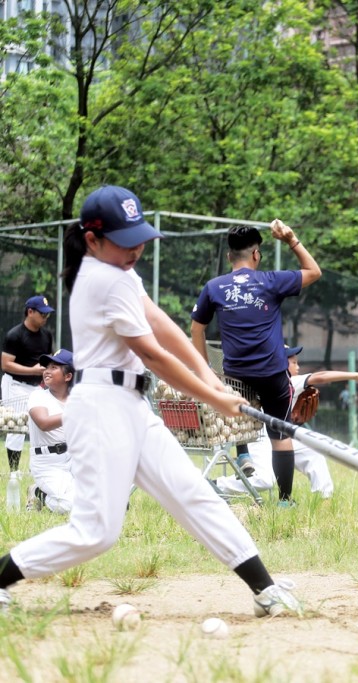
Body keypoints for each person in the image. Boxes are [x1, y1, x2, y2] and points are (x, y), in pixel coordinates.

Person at [0, 185, 298, 617]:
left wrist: (205, 374)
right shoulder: (102, 279)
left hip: (132, 406)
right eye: (124, 240)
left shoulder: (120, 271)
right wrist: (213, 395)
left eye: (138, 236)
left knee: (194, 493)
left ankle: (265, 589)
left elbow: (160, 321)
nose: (135, 247)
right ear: (92, 241)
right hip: (102, 409)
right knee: (97, 533)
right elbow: (152, 352)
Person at [191, 223, 321, 505]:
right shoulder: (270, 281)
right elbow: (314, 272)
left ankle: (244, 454)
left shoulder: (214, 287)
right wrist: (291, 239)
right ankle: (285, 500)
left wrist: (205, 370)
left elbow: (197, 328)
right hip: (273, 374)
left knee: (238, 411)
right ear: (256, 255)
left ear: (229, 258)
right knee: (279, 432)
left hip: (237, 373)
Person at [214, 344, 358, 499]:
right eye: (293, 362)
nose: (298, 367)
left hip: (280, 438)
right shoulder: (284, 381)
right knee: (264, 480)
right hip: (258, 439)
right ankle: (215, 485)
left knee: (313, 454)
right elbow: (320, 376)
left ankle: (324, 500)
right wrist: (356, 375)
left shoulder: (286, 381)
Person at [2, 295, 55, 474]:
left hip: (37, 387)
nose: (45, 318)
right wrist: (32, 371)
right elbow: (6, 364)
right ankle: (14, 472)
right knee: (16, 426)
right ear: (30, 312)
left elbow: (48, 360)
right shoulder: (15, 335)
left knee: (39, 426)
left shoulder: (46, 335)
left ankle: (37, 469)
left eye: (47, 315)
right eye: (42, 314)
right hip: (15, 384)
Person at [25, 349, 75, 514]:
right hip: (47, 463)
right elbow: (44, 423)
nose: (46, 370)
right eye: (46, 366)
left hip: (74, 460)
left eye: (54, 367)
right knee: (72, 505)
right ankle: (40, 494)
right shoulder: (38, 396)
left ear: (68, 376)